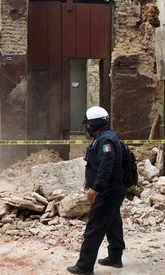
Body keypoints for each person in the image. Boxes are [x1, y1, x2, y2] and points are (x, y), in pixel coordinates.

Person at [67, 106, 127, 275]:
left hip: (108, 190)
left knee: (94, 227)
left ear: (94, 124)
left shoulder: (106, 140)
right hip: (114, 189)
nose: (86, 127)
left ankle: (85, 266)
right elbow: (97, 163)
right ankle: (115, 257)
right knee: (113, 223)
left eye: (87, 124)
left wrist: (95, 188)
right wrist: (89, 178)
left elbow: (107, 166)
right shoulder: (103, 137)